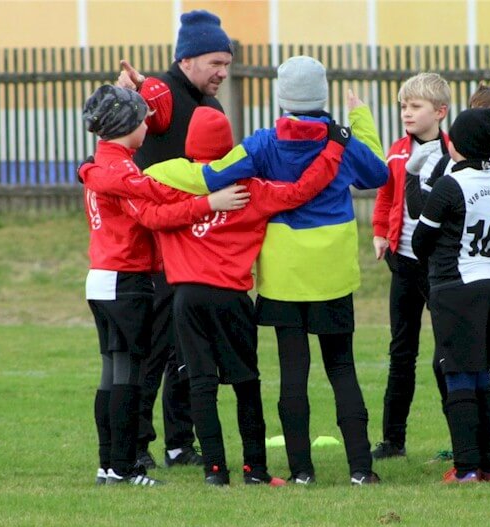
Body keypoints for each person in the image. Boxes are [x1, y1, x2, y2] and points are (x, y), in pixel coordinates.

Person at [145, 57, 389, 486]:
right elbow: (378, 174)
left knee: (292, 371)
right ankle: (360, 468)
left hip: (283, 271)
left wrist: (153, 172)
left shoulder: (261, 144)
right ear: (323, 94)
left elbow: (214, 174)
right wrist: (359, 121)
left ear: (281, 98)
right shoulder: (342, 140)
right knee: (342, 368)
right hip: (332, 266)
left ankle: (301, 471)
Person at [80, 106, 353, 487]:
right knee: (246, 382)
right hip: (231, 297)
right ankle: (254, 470)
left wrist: (86, 169)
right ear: (230, 145)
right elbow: (302, 190)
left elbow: (141, 204)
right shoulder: (251, 188)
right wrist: (335, 149)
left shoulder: (170, 180)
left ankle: (214, 472)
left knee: (200, 384)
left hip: (185, 299)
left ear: (190, 144)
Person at [81, 85, 246, 487]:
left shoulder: (104, 165)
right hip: (125, 279)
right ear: (126, 126)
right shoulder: (120, 172)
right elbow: (155, 210)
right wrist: (209, 200)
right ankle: (123, 468)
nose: (148, 126)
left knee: (112, 374)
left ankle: (108, 465)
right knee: (128, 376)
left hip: (102, 277)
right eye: (142, 120)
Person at [116, 9, 237, 469]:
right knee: (155, 346)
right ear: (186, 60)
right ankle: (139, 444)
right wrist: (127, 94)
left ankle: (179, 442)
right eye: (214, 63)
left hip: (198, 243)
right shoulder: (163, 90)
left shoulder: (211, 105)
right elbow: (136, 108)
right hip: (158, 245)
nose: (222, 72)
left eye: (226, 63)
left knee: (189, 348)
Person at [401, 83, 490, 468]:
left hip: (455, 286)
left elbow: (420, 240)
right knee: (487, 375)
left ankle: (467, 467)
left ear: (459, 143)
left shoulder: (451, 184)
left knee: (458, 376)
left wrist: (412, 180)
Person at [369, 72, 450, 460]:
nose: (407, 112)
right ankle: (393, 440)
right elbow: (385, 196)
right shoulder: (398, 151)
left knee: (448, 352)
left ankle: (459, 438)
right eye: (404, 106)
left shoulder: (453, 154)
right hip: (403, 263)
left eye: (415, 106)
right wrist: (380, 232)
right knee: (401, 351)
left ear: (440, 112)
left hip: (440, 266)